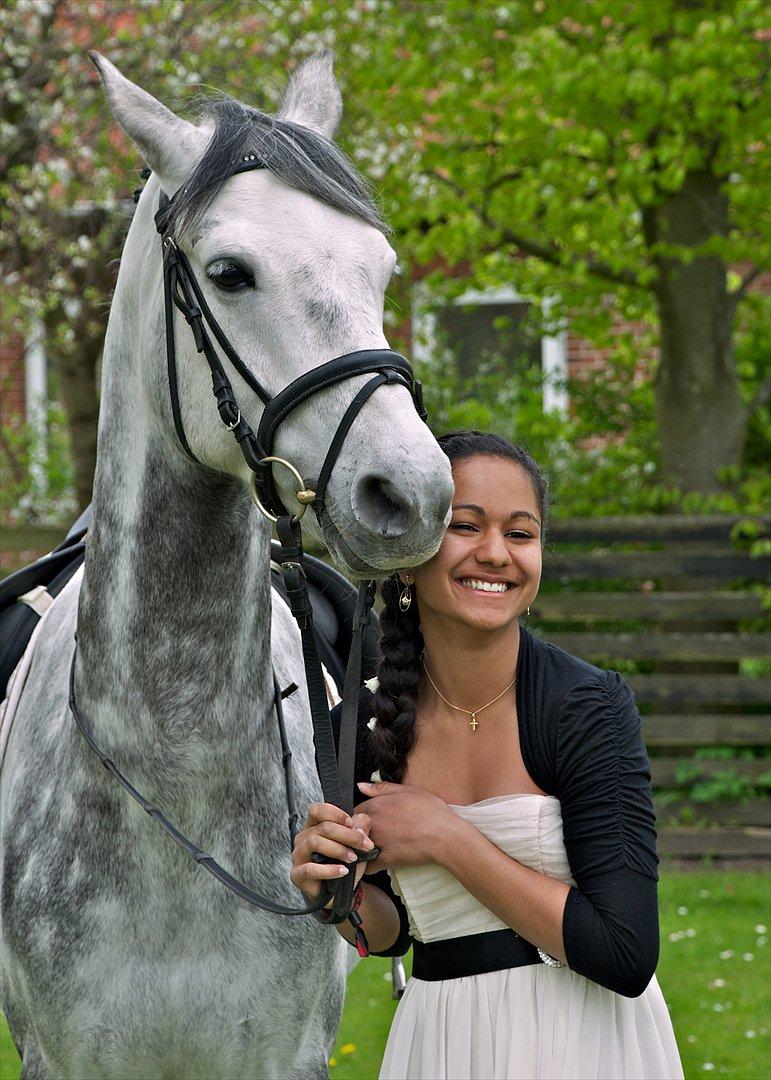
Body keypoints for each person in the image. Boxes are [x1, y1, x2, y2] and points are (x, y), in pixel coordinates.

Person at [290, 431, 685, 1080]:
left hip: (584, 1043)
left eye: (520, 533)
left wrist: (448, 839)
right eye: (464, 526)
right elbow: (391, 933)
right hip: (441, 1043)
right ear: (410, 552)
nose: (495, 553)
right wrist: (335, 893)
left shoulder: (584, 708)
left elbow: (623, 951)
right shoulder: (356, 729)